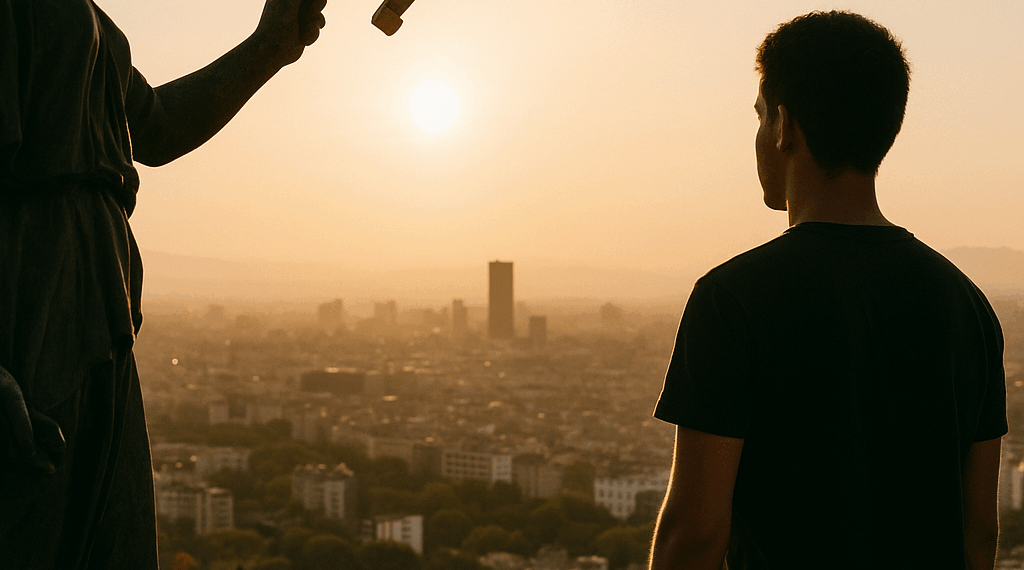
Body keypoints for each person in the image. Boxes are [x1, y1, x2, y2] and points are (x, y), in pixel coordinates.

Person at [648, 11, 1005, 570]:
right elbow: (980, 533)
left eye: (761, 117)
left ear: (785, 126)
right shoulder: (967, 305)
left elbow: (694, 535)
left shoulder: (732, 299)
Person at [0, 0, 326, 567]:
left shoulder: (91, 20)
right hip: (26, 308)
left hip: (98, 318)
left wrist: (268, 47)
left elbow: (156, 129)